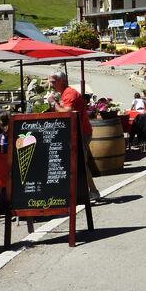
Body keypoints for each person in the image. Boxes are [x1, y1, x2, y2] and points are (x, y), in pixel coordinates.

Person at [47, 70, 100, 200]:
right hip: (79, 132)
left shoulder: (69, 93)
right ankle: (84, 192)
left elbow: (67, 113)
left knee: (81, 163)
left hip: (81, 133)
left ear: (62, 81)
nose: (51, 84)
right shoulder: (66, 93)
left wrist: (54, 103)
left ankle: (91, 192)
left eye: (53, 82)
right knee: (79, 163)